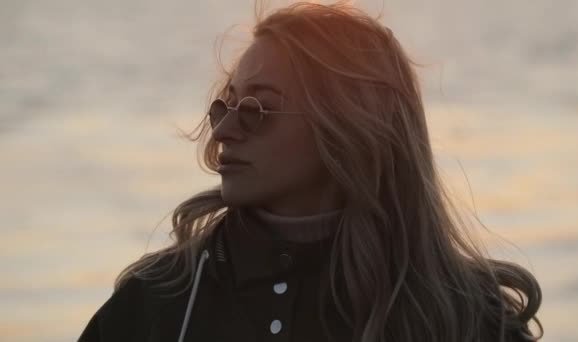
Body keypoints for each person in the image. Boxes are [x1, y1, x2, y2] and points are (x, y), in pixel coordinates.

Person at [78, 1, 543, 341]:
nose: (223, 130)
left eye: (257, 108)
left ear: (346, 126)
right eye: (224, 105)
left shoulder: (464, 318)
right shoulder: (158, 305)